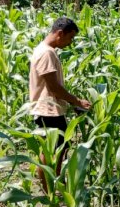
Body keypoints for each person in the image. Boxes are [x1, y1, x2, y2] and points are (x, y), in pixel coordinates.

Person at [29, 17, 91, 192]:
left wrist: (71, 103)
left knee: (56, 151)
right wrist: (76, 101)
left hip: (50, 109)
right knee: (50, 153)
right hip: (48, 111)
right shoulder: (46, 53)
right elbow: (54, 88)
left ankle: (53, 187)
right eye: (70, 38)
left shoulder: (45, 51)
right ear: (60, 33)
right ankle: (50, 191)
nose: (70, 43)